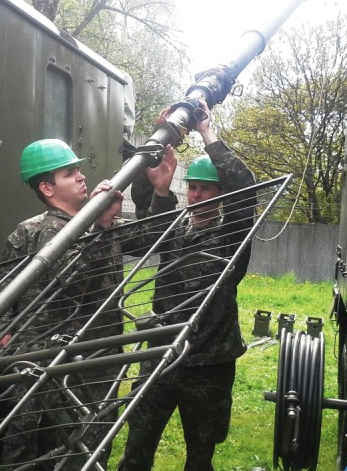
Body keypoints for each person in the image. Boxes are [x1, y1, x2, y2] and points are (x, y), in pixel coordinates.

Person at [0, 138, 177, 469]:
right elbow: (63, 290)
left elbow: (155, 237)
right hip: (53, 360)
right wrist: (3, 335)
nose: (81, 176)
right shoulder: (32, 232)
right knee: (45, 446)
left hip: (101, 357)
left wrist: (161, 193)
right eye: (70, 173)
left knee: (95, 440)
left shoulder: (103, 227)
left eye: (79, 170)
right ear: (47, 188)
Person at [118, 104, 257, 471]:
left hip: (208, 363)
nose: (195, 196)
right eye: (192, 188)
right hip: (161, 356)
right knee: (136, 448)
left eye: (205, 190)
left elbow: (246, 191)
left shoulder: (232, 237)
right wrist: (161, 185)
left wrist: (207, 132)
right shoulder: (175, 228)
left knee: (200, 457)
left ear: (220, 194)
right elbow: (144, 235)